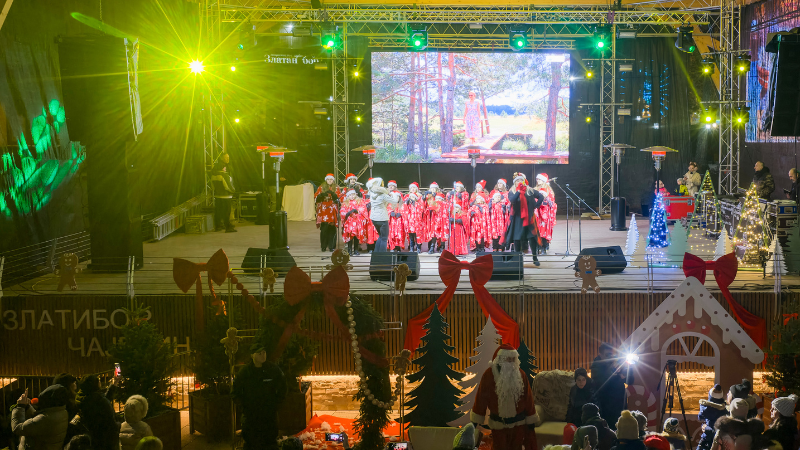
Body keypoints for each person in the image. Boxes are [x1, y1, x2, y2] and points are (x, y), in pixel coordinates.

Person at [470, 344, 539, 450]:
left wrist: (530, 420)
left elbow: (528, 398)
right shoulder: (489, 375)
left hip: (518, 424)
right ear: (501, 359)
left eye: (513, 359)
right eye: (508, 359)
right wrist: (475, 420)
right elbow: (481, 398)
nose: (511, 362)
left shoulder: (521, 375)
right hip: (499, 425)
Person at [232, 343, 288, 450]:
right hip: (251, 415)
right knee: (251, 442)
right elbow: (235, 391)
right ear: (252, 355)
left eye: (264, 352)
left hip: (269, 413)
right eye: (259, 353)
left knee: (270, 442)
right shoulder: (245, 372)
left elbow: (283, 387)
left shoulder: (273, 370)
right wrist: (243, 406)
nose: (263, 355)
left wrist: (276, 404)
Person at [590, 343, 634, 430]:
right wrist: (614, 371)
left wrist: (628, 369)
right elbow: (602, 383)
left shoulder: (616, 364)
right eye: (607, 355)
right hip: (605, 407)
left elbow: (630, 381)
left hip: (619, 405)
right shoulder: (596, 366)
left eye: (611, 354)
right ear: (600, 355)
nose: (610, 357)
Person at [11, 385, 69, 450]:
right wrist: (27, 407)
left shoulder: (46, 419)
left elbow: (17, 428)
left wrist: (20, 407)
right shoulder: (61, 411)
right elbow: (37, 420)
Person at [506, 173, 546, 266]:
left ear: (523, 182)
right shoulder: (512, 191)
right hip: (517, 219)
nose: (519, 182)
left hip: (529, 218)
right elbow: (512, 200)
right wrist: (519, 192)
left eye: (520, 180)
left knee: (532, 238)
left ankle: (535, 257)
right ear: (515, 183)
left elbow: (541, 196)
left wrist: (536, 206)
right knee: (517, 239)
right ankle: (518, 259)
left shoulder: (530, 190)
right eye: (517, 181)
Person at [77, 375, 119, 450]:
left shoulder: (82, 398)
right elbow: (111, 423)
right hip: (105, 439)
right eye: (98, 380)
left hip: (92, 438)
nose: (100, 381)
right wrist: (119, 426)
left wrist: (113, 384)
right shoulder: (100, 401)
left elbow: (105, 399)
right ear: (94, 384)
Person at [366, 177, 401, 253]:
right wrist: (393, 193)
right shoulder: (383, 195)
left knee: (380, 237)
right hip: (382, 218)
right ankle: (382, 257)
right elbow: (395, 201)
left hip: (374, 218)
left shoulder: (371, 193)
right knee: (384, 238)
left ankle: (376, 254)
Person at [211, 153, 237, 232]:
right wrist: (233, 191)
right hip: (226, 195)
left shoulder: (214, 172)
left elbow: (212, 184)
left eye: (228, 157)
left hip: (218, 195)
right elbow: (227, 184)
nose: (227, 159)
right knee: (227, 211)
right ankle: (228, 227)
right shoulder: (224, 172)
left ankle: (218, 226)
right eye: (226, 158)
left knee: (218, 211)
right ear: (222, 158)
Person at [52, 373, 80, 446]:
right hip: (68, 436)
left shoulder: (53, 399)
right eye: (73, 383)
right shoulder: (69, 401)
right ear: (68, 385)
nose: (75, 384)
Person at [697, 384, 727, 450]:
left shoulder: (705, 408)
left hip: (707, 435)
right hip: (720, 436)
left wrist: (706, 428)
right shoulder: (725, 409)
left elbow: (700, 417)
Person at [315, 173, 340, 252]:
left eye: (331, 179)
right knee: (324, 229)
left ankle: (331, 246)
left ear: (333, 180)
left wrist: (333, 194)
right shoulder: (321, 187)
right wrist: (321, 195)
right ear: (326, 180)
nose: (330, 181)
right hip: (323, 210)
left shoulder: (336, 188)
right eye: (328, 179)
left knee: (332, 229)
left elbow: (339, 199)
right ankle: (323, 246)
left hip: (332, 210)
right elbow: (316, 197)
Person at [535, 174, 557, 254]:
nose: (538, 181)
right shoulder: (535, 189)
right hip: (537, 214)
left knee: (544, 231)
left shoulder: (549, 190)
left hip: (545, 214)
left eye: (539, 179)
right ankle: (538, 247)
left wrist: (546, 198)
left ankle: (544, 247)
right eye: (537, 179)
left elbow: (552, 203)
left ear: (544, 180)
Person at [340, 190, 367, 256]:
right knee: (350, 236)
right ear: (348, 196)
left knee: (356, 236)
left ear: (355, 194)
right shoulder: (345, 203)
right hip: (349, 222)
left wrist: (357, 211)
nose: (352, 196)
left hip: (357, 221)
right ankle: (349, 250)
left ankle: (356, 250)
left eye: (353, 195)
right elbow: (342, 211)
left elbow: (363, 209)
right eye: (350, 195)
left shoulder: (359, 201)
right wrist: (348, 213)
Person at [403, 182, 424, 253]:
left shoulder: (420, 197)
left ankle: (418, 247)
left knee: (418, 234)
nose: (413, 189)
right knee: (410, 233)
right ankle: (411, 246)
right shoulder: (406, 196)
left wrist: (416, 203)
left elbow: (422, 207)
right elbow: (403, 208)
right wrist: (406, 203)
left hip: (417, 219)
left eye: (414, 187)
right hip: (410, 220)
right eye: (411, 187)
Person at [387, 181, 406, 251]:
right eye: (390, 186)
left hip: (399, 222)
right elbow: (387, 209)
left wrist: (401, 213)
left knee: (399, 234)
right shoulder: (390, 204)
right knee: (391, 234)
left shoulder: (401, 205)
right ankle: (392, 246)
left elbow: (404, 210)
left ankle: (398, 247)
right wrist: (390, 212)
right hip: (392, 222)